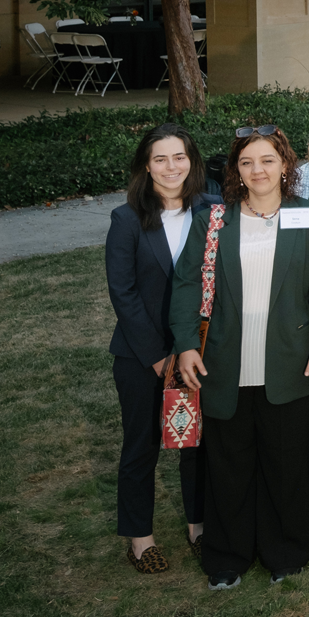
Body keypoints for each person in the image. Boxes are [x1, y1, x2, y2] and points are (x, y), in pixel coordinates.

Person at [171, 127, 309, 589]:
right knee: (228, 465)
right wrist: (186, 344)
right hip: (224, 361)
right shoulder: (214, 220)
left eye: (267, 160)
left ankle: (285, 552)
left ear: (285, 166)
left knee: (285, 465)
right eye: (247, 163)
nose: (258, 170)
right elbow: (187, 285)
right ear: (235, 171)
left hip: (290, 359)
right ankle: (227, 557)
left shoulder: (306, 215)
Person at [108, 123, 208, 573]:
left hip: (200, 351)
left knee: (199, 444)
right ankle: (140, 538)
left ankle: (199, 525)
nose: (172, 167)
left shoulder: (214, 210)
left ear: (192, 161)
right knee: (142, 446)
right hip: (141, 356)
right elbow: (123, 292)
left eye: (179, 157)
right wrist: (157, 356)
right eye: (160, 159)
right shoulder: (126, 219)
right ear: (146, 167)